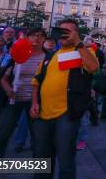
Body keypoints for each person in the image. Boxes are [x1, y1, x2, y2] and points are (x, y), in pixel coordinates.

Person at [30, 18, 99, 179]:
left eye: (68, 31)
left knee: (66, 161)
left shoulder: (84, 51)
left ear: (76, 33)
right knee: (41, 162)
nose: (64, 34)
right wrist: (34, 102)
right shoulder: (50, 55)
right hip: (42, 115)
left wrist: (79, 44)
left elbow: (93, 68)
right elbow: (36, 81)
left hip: (66, 115)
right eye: (62, 31)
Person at [0, 27, 46, 158]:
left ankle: (39, 170)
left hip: (35, 101)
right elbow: (3, 78)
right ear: (27, 38)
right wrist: (8, 89)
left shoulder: (48, 57)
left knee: (38, 137)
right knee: (3, 134)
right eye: (33, 35)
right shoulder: (18, 54)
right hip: (14, 99)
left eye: (40, 36)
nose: (37, 38)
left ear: (44, 39)